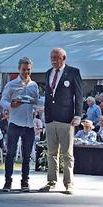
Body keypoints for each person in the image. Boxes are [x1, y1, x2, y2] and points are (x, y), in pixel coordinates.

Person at [40, 48, 83, 195]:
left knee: (67, 153)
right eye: (52, 57)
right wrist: (45, 115)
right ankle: (51, 182)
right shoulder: (48, 73)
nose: (53, 60)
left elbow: (79, 95)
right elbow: (47, 95)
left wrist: (78, 115)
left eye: (57, 57)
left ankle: (69, 184)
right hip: (51, 118)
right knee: (51, 153)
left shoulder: (73, 72)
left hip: (66, 119)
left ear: (64, 58)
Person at [0, 57, 38, 192]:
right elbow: (2, 101)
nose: (26, 72)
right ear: (18, 69)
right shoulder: (11, 85)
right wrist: (11, 105)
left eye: (28, 70)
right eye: (24, 70)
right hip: (15, 123)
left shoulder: (34, 85)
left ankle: (25, 182)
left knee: (27, 156)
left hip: (29, 125)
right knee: (10, 154)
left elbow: (36, 102)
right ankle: (8, 182)